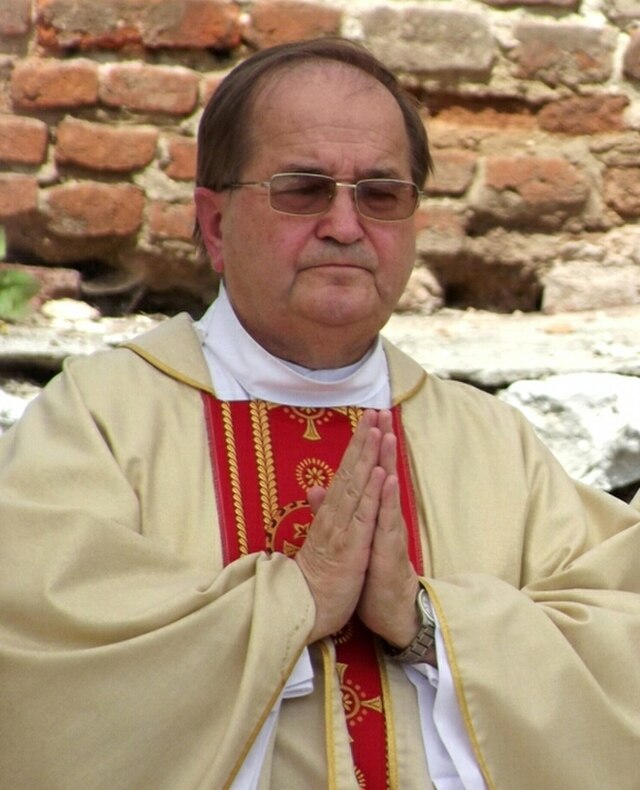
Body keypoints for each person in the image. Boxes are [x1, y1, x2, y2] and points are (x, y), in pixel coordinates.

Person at [0, 37, 639, 790]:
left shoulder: (491, 444)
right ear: (214, 225)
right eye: (302, 190)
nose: (344, 224)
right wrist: (294, 603)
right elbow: (40, 670)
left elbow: (615, 651)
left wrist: (426, 622)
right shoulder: (102, 421)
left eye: (381, 194)